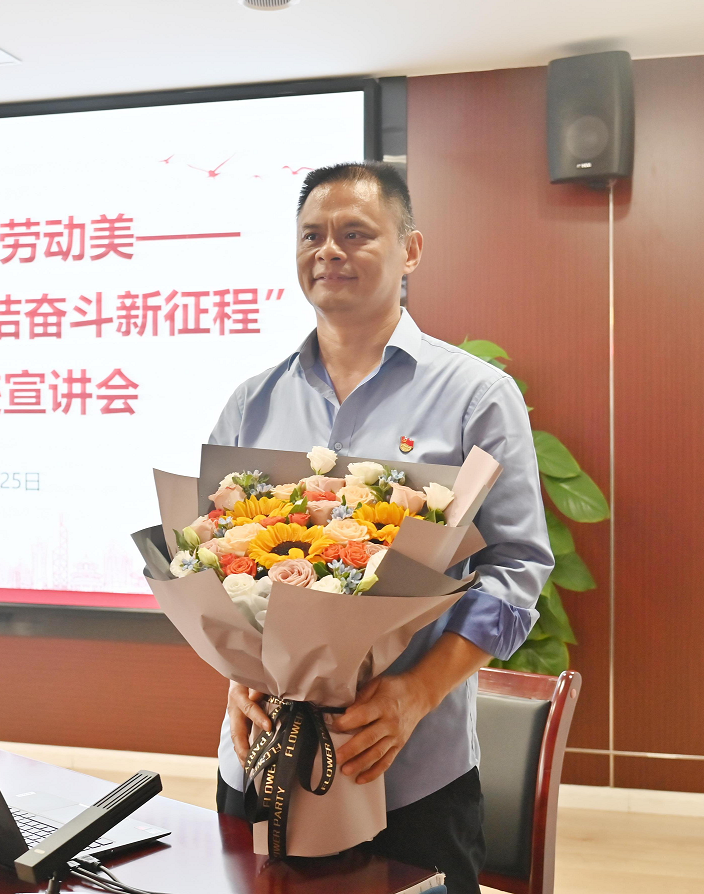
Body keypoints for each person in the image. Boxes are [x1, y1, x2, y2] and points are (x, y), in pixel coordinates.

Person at [209, 162, 552, 893]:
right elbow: (213, 563)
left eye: (355, 233)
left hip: (406, 771)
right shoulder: (251, 402)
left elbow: (517, 569)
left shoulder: (476, 397)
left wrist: (416, 693)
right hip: (260, 762)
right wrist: (239, 679)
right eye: (311, 235)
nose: (328, 250)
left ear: (411, 250)